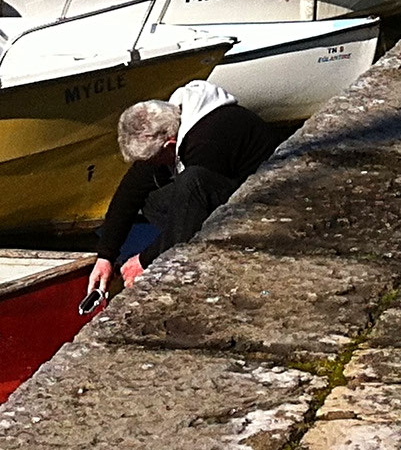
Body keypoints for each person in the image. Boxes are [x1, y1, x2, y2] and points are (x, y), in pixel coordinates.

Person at [85, 77, 277, 302]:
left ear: (169, 143)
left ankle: (175, 257)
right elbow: (131, 190)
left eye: (154, 159)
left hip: (258, 201)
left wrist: (144, 260)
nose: (153, 165)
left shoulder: (206, 144)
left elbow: (193, 209)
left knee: (189, 183)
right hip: (218, 188)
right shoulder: (173, 121)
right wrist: (106, 255)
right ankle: (172, 245)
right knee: (151, 197)